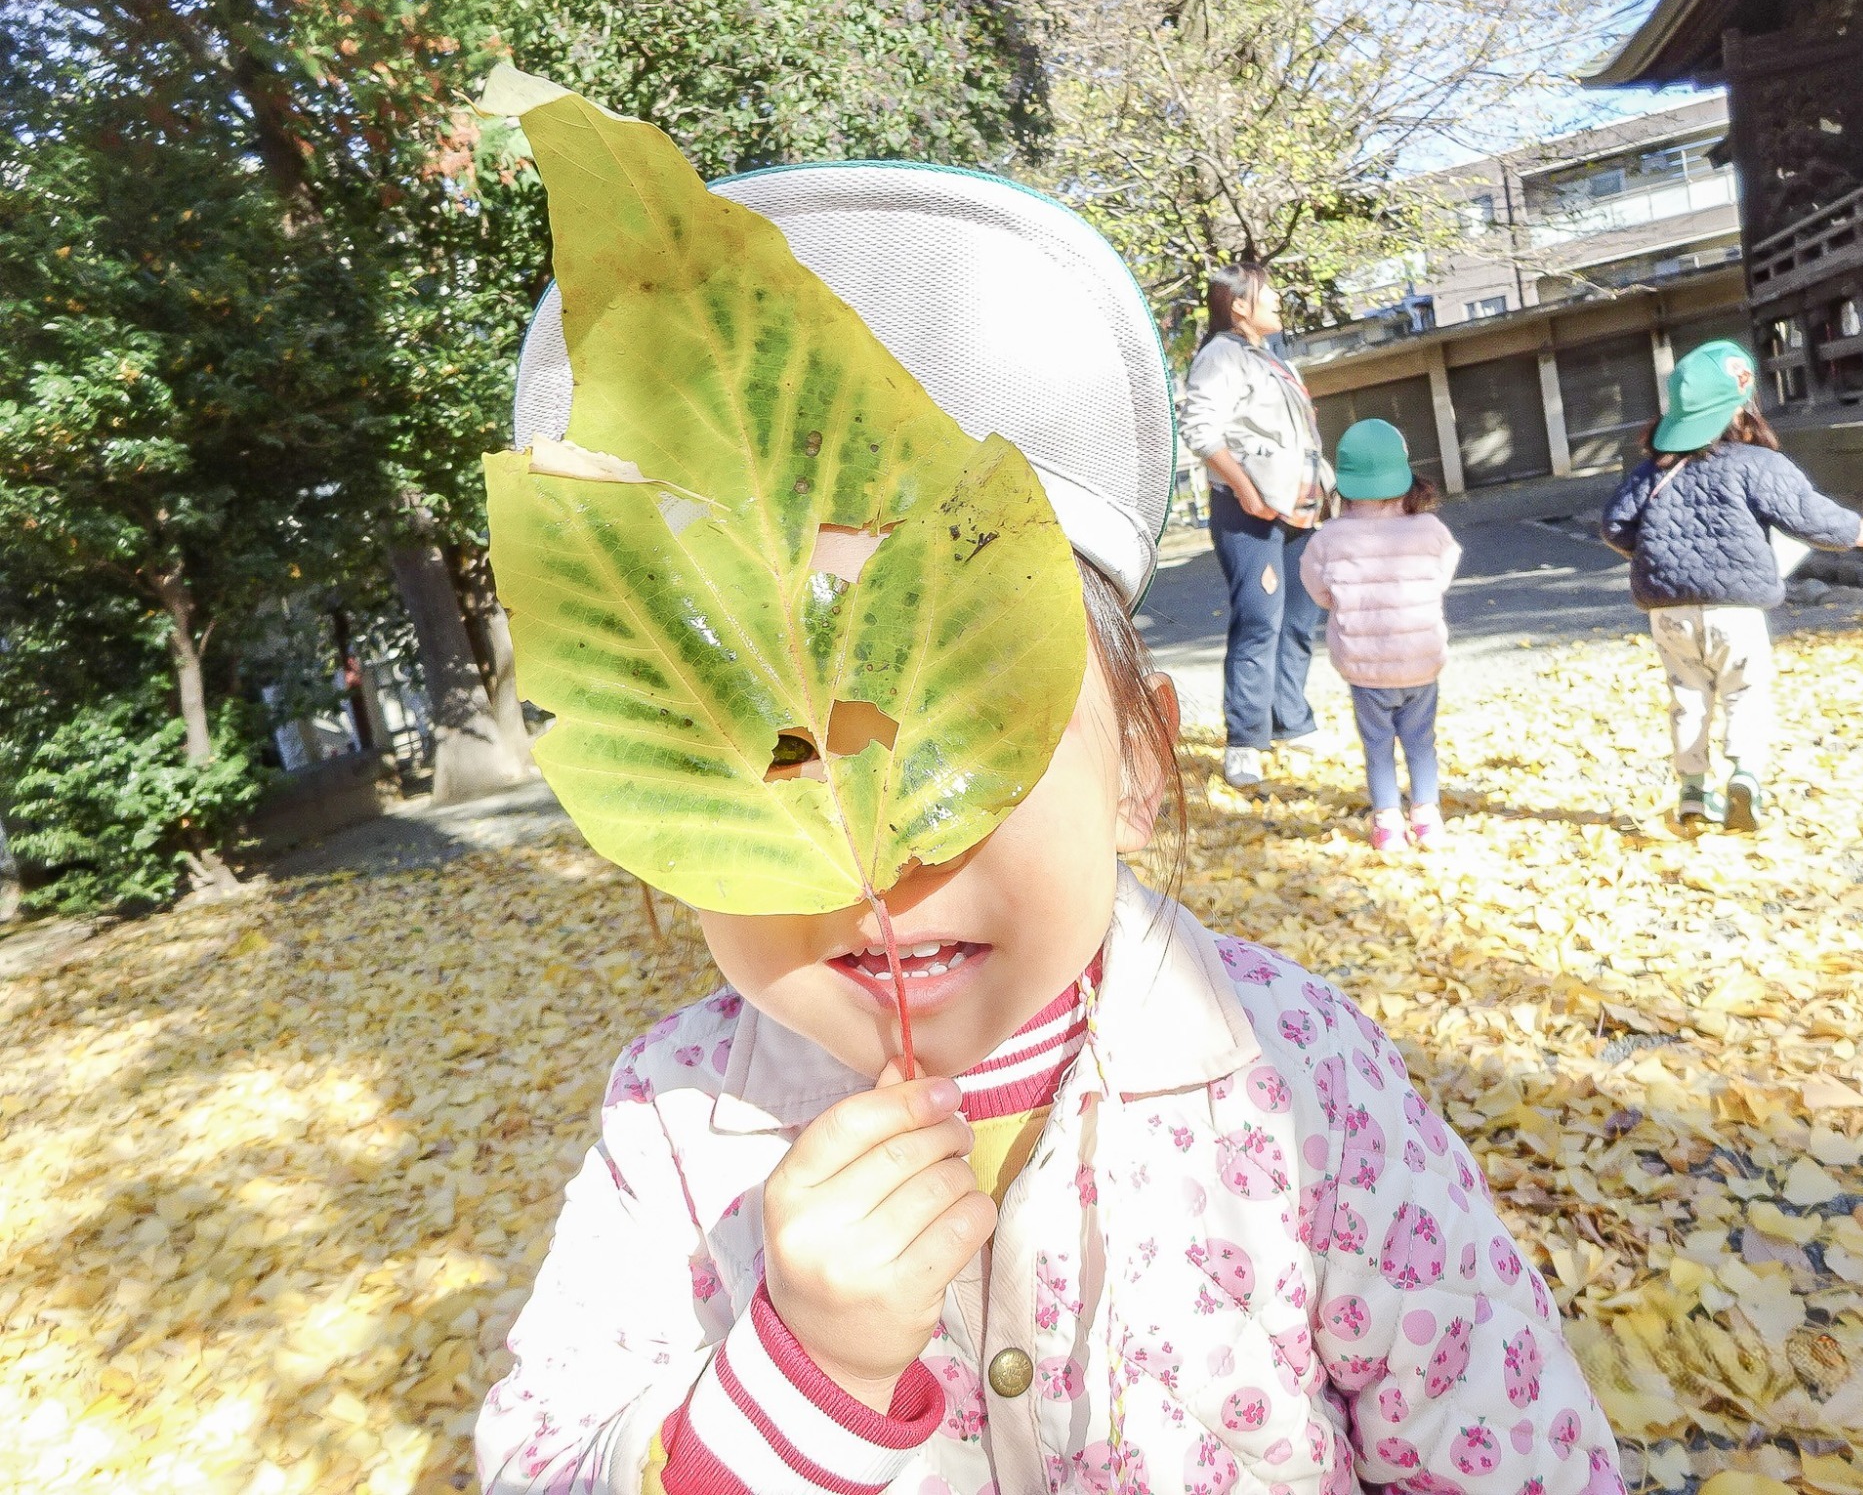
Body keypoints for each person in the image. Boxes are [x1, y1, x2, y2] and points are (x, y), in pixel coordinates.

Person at [480, 159, 1623, 1495]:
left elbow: (1502, 1432)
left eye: (963, 724)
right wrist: (795, 1385)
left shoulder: (1301, 1077)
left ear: (1138, 757)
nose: (884, 850)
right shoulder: (674, 1133)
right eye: (767, 749)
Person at [1601, 340, 1863, 831]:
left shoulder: (1652, 470)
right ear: (1745, 404)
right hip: (1736, 609)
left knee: (1688, 695)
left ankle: (1692, 790)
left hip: (1668, 611)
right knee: (1744, 691)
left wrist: (1661, 554)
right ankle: (1745, 777)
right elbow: (1812, 519)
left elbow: (1615, 527)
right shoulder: (1757, 464)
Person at [1180, 264, 1334, 791]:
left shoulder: (1270, 359)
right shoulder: (1220, 356)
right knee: (1259, 623)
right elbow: (1200, 431)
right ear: (1240, 304)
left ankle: (1291, 721)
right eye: (1268, 292)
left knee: (1297, 619)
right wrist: (1249, 494)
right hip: (1250, 515)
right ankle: (1244, 741)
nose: (1279, 299)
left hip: (1300, 514)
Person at [1301, 419, 1461, 854]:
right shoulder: (1430, 530)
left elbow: (1318, 592)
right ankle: (1427, 818)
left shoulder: (1329, 538)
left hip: (1365, 664)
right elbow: (1442, 575)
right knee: (1421, 742)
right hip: (1420, 659)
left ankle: (1388, 825)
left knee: (1377, 746)